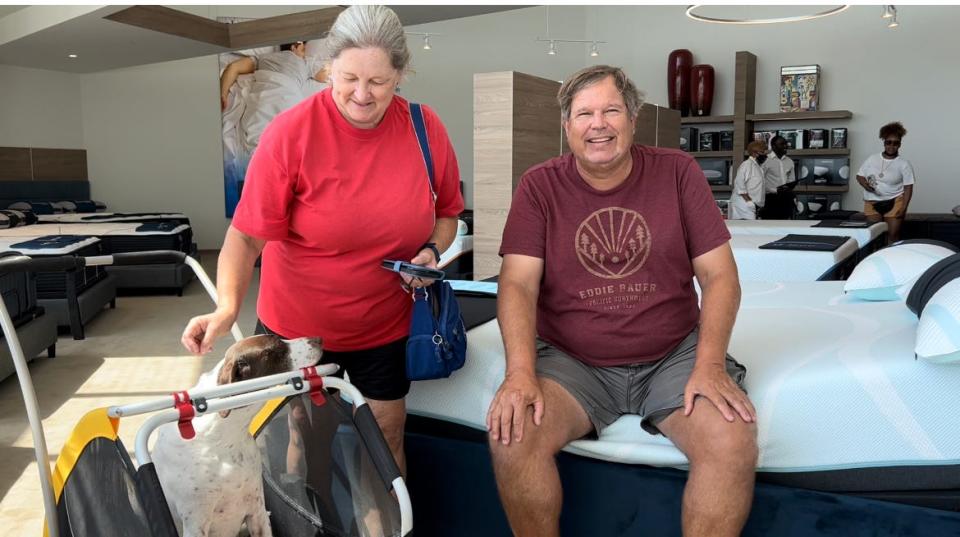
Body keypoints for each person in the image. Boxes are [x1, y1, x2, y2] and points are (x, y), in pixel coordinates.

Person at [183, 5, 464, 476]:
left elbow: (448, 213)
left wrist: (433, 251)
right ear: (329, 65)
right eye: (348, 77)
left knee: (386, 436)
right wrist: (226, 307)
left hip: (384, 325)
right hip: (296, 330)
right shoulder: (291, 134)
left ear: (401, 73)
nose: (361, 94)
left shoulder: (423, 128)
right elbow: (247, 236)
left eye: (378, 81)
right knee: (306, 437)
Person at [487, 65, 756, 537]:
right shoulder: (539, 186)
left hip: (672, 355)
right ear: (567, 126)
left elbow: (719, 276)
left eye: (611, 110)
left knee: (732, 440)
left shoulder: (677, 172)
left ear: (632, 119)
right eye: (584, 113)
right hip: (574, 363)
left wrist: (710, 364)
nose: (599, 124)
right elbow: (518, 285)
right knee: (513, 437)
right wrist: (520, 374)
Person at [856, 121, 915, 243]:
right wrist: (865, 184)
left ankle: (893, 259)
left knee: (893, 235)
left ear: (900, 145)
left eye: (895, 143)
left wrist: (904, 208)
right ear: (884, 142)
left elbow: (908, 187)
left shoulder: (904, 164)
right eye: (889, 142)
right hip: (872, 202)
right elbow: (859, 176)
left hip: (894, 201)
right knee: (873, 237)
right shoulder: (872, 159)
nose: (891, 146)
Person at [728, 140, 768, 220]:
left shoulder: (758, 167)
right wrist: (749, 201)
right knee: (744, 230)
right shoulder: (746, 165)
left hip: (752, 205)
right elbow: (739, 183)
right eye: (762, 152)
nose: (765, 155)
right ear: (754, 153)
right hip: (743, 204)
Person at [759, 135, 797, 219]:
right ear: (773, 146)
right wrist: (775, 190)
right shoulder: (765, 161)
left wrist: (790, 186)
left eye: (786, 144)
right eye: (782, 144)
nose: (786, 146)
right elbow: (759, 181)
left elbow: (791, 179)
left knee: (785, 225)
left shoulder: (789, 161)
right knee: (770, 226)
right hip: (770, 199)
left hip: (786, 199)